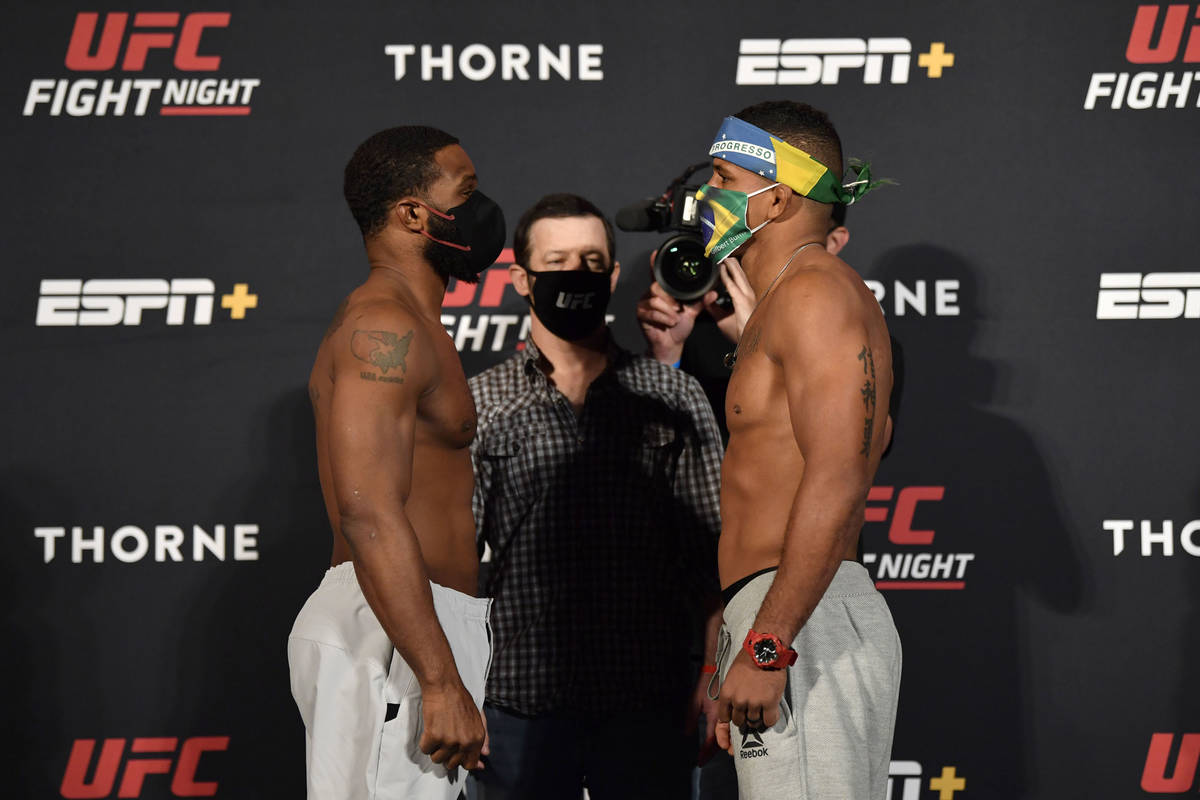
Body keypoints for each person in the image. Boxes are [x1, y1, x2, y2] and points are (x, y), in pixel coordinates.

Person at [468, 193, 724, 799]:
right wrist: (448, 685)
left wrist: (713, 675)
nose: (574, 275)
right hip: (516, 702)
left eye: (590, 261)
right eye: (557, 262)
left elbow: (714, 555)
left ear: (612, 275)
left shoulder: (674, 397)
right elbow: (453, 569)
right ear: (520, 280)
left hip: (650, 701)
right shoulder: (477, 404)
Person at [287, 125, 506, 800]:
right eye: (464, 192)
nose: (482, 210)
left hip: (419, 630)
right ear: (414, 213)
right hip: (392, 636)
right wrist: (438, 677)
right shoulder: (382, 326)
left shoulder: (413, 321)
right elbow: (368, 510)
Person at [698, 101, 902, 799]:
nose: (706, 197)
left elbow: (841, 474)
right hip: (776, 613)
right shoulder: (782, 305)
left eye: (722, 177)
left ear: (777, 196)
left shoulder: (817, 294)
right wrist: (735, 639)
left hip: (801, 620)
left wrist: (769, 644)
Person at [638, 204, 850, 439]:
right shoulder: (692, 329)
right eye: (757, 231)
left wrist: (758, 346)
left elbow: (852, 442)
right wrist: (667, 356)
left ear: (833, 242)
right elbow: (653, 440)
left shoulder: (856, 343)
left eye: (793, 237)